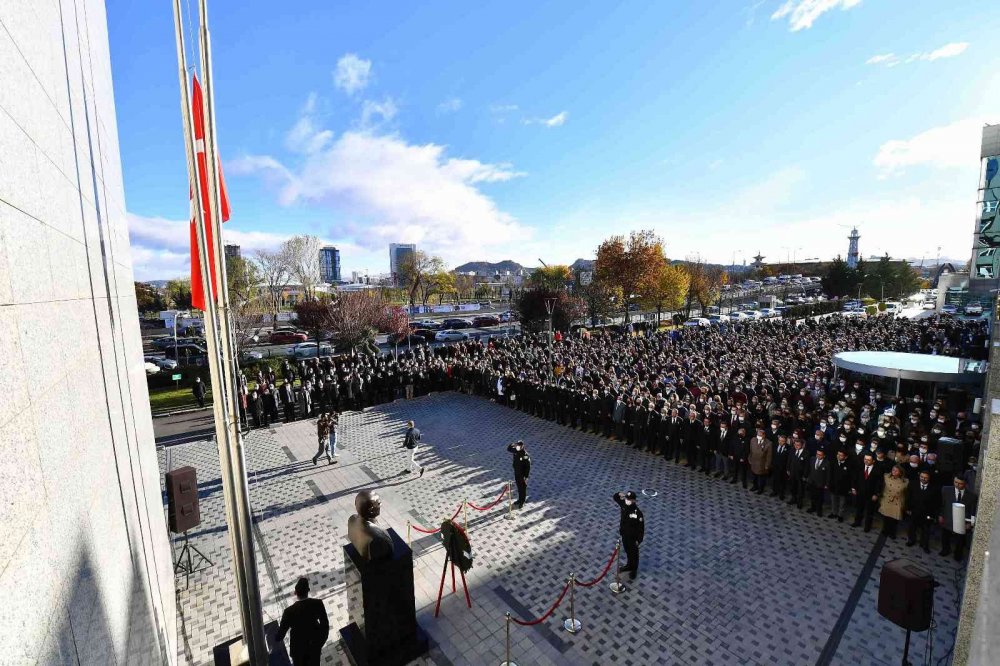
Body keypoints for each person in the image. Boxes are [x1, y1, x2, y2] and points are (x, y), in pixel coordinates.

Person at [273, 577, 329, 666]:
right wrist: (319, 644)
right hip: (313, 647)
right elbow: (325, 626)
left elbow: (280, 635)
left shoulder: (289, 612)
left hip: (297, 650)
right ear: (308, 591)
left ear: (295, 593)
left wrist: (275, 637)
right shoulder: (317, 604)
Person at [939, 476, 978, 561]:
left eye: (960, 483)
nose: (957, 485)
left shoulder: (972, 496)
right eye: (955, 482)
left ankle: (958, 554)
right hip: (948, 518)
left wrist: (970, 524)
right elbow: (942, 504)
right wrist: (940, 515)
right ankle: (945, 549)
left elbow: (972, 511)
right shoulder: (946, 490)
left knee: (960, 540)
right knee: (945, 536)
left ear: (965, 484)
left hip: (962, 522)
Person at [613, 491, 644, 580]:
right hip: (624, 535)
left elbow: (641, 528)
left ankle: (634, 569)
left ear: (634, 500)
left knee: (634, 554)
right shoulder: (623, 504)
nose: (627, 501)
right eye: (627, 499)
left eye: (629, 499)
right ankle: (629, 565)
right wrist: (619, 494)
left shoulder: (637, 513)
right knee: (627, 551)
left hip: (633, 538)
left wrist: (639, 540)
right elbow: (615, 498)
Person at [906, 470, 939, 552]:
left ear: (929, 478)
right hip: (914, 510)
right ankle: (911, 540)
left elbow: (936, 502)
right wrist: (908, 508)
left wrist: (934, 514)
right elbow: (908, 497)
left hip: (927, 513)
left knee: (926, 530)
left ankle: (924, 544)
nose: (923, 479)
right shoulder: (913, 484)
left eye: (925, 477)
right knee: (912, 527)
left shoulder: (934, 488)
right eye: (922, 477)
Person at [852, 454, 883, 532]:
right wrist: (853, 488)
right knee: (859, 508)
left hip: (871, 494)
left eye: (868, 460)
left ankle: (867, 526)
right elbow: (855, 478)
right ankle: (857, 522)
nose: (866, 461)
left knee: (869, 511)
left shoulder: (878, 470)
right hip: (860, 492)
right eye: (865, 459)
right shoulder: (860, 467)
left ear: (873, 461)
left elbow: (879, 483)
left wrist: (876, 494)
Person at [878, 464, 909, 538]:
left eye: (896, 470)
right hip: (887, 499)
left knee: (894, 519)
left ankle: (892, 532)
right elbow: (881, 487)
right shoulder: (886, 477)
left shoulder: (905, 481)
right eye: (893, 470)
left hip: (897, 501)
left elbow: (906, 493)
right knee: (886, 517)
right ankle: (885, 530)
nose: (894, 472)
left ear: (900, 472)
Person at [828, 449, 852, 522]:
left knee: (842, 503)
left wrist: (850, 488)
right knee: (833, 500)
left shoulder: (849, 465)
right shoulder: (833, 462)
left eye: (841, 455)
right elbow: (830, 474)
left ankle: (840, 515)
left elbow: (850, 477)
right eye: (838, 454)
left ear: (845, 457)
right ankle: (834, 513)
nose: (838, 456)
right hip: (834, 485)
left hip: (844, 487)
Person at [507, 440, 532, 508]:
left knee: (522, 488)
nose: (517, 447)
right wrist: (512, 444)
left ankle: (522, 501)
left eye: (519, 446)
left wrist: (526, 476)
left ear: (522, 446)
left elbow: (528, 466)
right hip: (517, 472)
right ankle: (519, 500)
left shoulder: (525, 455)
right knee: (519, 487)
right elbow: (508, 449)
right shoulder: (515, 450)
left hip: (522, 475)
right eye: (517, 445)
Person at [805, 448, 830, 515]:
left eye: (820, 455)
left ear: (824, 456)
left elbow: (828, 475)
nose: (818, 456)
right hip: (812, 481)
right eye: (817, 454)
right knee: (812, 496)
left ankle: (819, 510)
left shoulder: (827, 463)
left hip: (820, 483)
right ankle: (813, 507)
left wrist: (827, 484)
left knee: (820, 498)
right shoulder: (812, 459)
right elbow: (809, 469)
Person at [748, 426, 772, 494]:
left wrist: (767, 465)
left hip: (762, 464)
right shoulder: (753, 440)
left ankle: (760, 489)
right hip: (754, 462)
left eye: (760, 435)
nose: (758, 436)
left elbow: (769, 456)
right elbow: (750, 451)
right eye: (758, 435)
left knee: (761, 478)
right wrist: (750, 459)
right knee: (754, 476)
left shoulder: (768, 443)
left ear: (764, 435)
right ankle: (754, 486)